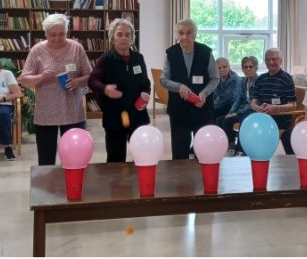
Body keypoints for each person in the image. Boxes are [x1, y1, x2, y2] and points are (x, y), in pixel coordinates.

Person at [18, 14, 92, 166]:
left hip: (72, 111)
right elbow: (24, 80)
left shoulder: (76, 48)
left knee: (74, 157)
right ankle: (47, 187)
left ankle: (74, 186)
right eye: (53, 35)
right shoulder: (37, 50)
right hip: (46, 113)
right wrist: (40, 77)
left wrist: (77, 81)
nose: (58, 38)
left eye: (62, 34)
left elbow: (90, 76)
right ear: (45, 34)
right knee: (46, 159)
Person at [87, 18, 151, 163]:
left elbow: (146, 81)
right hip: (115, 116)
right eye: (120, 34)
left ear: (132, 38)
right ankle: (116, 186)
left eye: (127, 35)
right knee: (116, 158)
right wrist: (105, 89)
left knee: (142, 156)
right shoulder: (105, 60)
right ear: (112, 38)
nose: (124, 38)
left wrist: (146, 94)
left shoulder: (138, 58)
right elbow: (92, 81)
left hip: (137, 114)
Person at [161, 19, 219, 160]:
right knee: (180, 152)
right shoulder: (171, 53)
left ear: (195, 34)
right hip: (179, 110)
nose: (184, 37)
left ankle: (204, 179)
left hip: (203, 108)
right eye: (181, 33)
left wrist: (204, 93)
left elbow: (215, 78)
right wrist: (179, 86)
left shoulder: (206, 52)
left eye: (189, 33)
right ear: (176, 35)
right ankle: (181, 181)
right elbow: (164, 80)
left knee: (204, 151)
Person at [250, 47, 297, 155]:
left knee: (257, 128)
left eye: (274, 59)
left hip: (280, 118)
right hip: (261, 115)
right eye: (268, 59)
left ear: (280, 61)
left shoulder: (286, 78)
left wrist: (275, 108)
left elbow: (293, 105)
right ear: (265, 61)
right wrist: (258, 108)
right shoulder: (261, 78)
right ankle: (252, 157)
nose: (271, 62)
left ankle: (263, 155)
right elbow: (253, 102)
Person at [211, 58, 242, 123]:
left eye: (224, 67)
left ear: (229, 67)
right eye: (219, 68)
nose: (222, 69)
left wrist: (212, 106)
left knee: (211, 113)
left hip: (231, 107)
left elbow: (229, 99)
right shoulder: (216, 78)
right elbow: (214, 95)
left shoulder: (236, 80)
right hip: (221, 105)